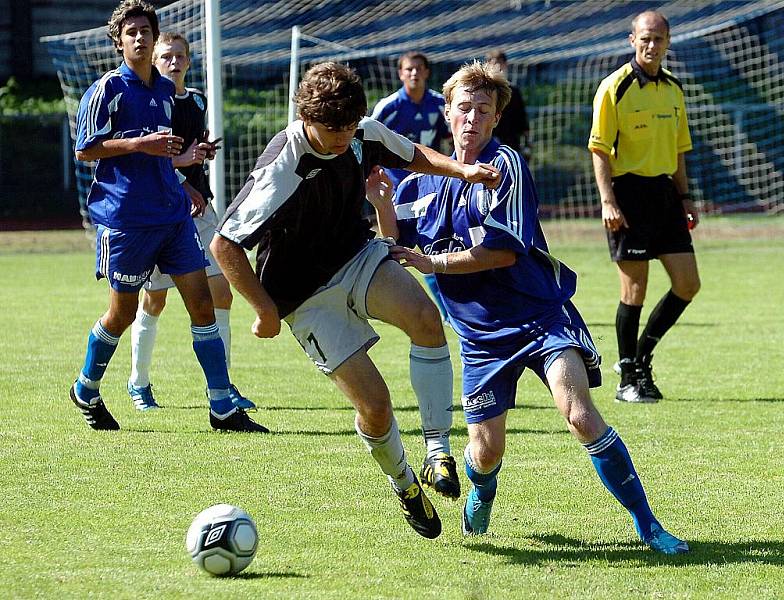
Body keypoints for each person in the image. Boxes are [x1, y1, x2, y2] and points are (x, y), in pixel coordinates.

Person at [369, 60, 689, 554]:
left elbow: (501, 252)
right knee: (486, 451)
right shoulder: (418, 182)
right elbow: (396, 246)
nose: (472, 118)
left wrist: (430, 264)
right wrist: (382, 206)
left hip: (539, 317)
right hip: (479, 337)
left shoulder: (504, 166)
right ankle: (482, 488)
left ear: (496, 118)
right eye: (463, 109)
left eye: (483, 109)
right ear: (447, 115)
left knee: (579, 414)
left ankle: (650, 527)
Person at [210, 62, 501, 538]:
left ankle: (436, 451)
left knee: (426, 317)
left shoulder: (361, 132)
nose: (344, 139)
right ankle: (405, 484)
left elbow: (414, 155)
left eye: (349, 128)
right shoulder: (283, 164)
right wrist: (263, 310)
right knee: (376, 406)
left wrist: (463, 169)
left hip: (356, 255)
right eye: (333, 130)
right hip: (304, 296)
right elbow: (224, 244)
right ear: (307, 117)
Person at [70, 0, 267, 433]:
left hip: (173, 217)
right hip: (126, 221)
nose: (140, 37)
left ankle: (221, 407)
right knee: (121, 316)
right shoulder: (107, 90)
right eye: (132, 32)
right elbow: (85, 150)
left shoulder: (164, 89)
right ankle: (86, 387)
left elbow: (165, 149)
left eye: (146, 30)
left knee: (202, 303)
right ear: (119, 42)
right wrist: (140, 144)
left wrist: (186, 160)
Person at [125, 31, 255, 412]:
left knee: (222, 294)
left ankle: (223, 385)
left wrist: (201, 154)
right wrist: (183, 182)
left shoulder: (196, 99)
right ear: (155, 60)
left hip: (200, 211)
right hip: (163, 210)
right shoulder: (151, 101)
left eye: (180, 55)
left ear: (188, 61)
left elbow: (186, 151)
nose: (174, 62)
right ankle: (138, 383)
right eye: (166, 56)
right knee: (155, 300)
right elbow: (150, 158)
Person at [588, 10, 701, 403]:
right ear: (631, 40)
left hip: (666, 194)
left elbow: (681, 150)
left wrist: (685, 197)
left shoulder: (673, 89)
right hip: (628, 194)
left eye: (659, 39)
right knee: (634, 288)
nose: (652, 46)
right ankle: (627, 380)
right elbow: (600, 149)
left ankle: (640, 357)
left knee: (688, 284)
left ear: (668, 42)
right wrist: (608, 201)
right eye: (645, 39)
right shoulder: (614, 87)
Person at [371, 51, 452, 324]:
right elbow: (370, 139)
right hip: (398, 189)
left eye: (419, 68)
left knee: (436, 243)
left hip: (432, 185)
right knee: (401, 245)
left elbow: (453, 137)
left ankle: (450, 307)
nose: (414, 73)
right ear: (400, 74)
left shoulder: (441, 104)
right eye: (409, 69)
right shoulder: (389, 107)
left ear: (427, 72)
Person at [484, 50, 529, 153]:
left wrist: (527, 144)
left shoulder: (514, 91)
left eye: (500, 63)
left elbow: (522, 120)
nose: (497, 67)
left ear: (505, 65)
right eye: (493, 63)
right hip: (486, 141)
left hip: (510, 142)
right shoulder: (482, 91)